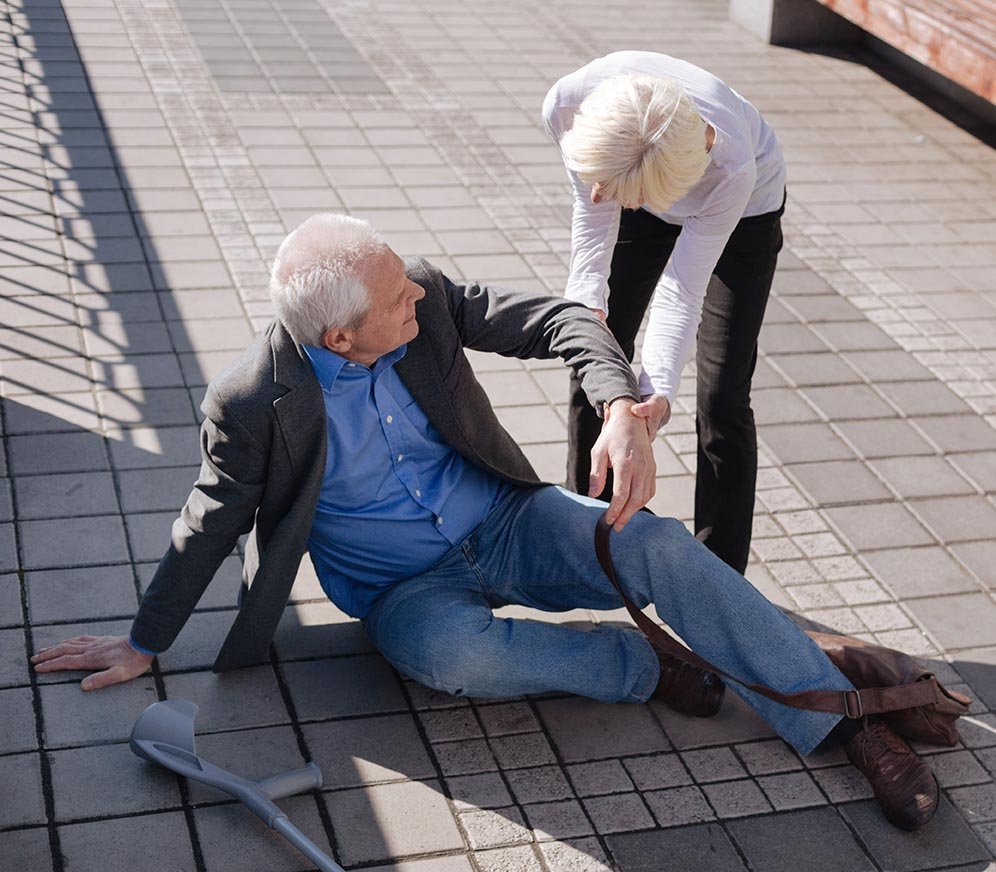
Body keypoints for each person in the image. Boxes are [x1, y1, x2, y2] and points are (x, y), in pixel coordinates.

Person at [33, 214, 936, 831]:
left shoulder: (418, 295)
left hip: (508, 517)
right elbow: (209, 516)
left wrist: (618, 404)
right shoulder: (251, 400)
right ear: (341, 336)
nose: (421, 300)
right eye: (398, 302)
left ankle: (848, 721)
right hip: (403, 586)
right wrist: (146, 641)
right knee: (451, 659)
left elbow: (558, 320)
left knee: (651, 540)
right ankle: (647, 661)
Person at [544, 51, 787, 573]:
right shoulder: (568, 105)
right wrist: (591, 333)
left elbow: (682, 291)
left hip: (741, 213)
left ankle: (718, 576)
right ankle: (591, 535)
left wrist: (656, 396)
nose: (603, 197)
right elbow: (591, 244)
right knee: (599, 356)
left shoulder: (733, 164)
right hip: (636, 170)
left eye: (628, 198)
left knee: (721, 397)